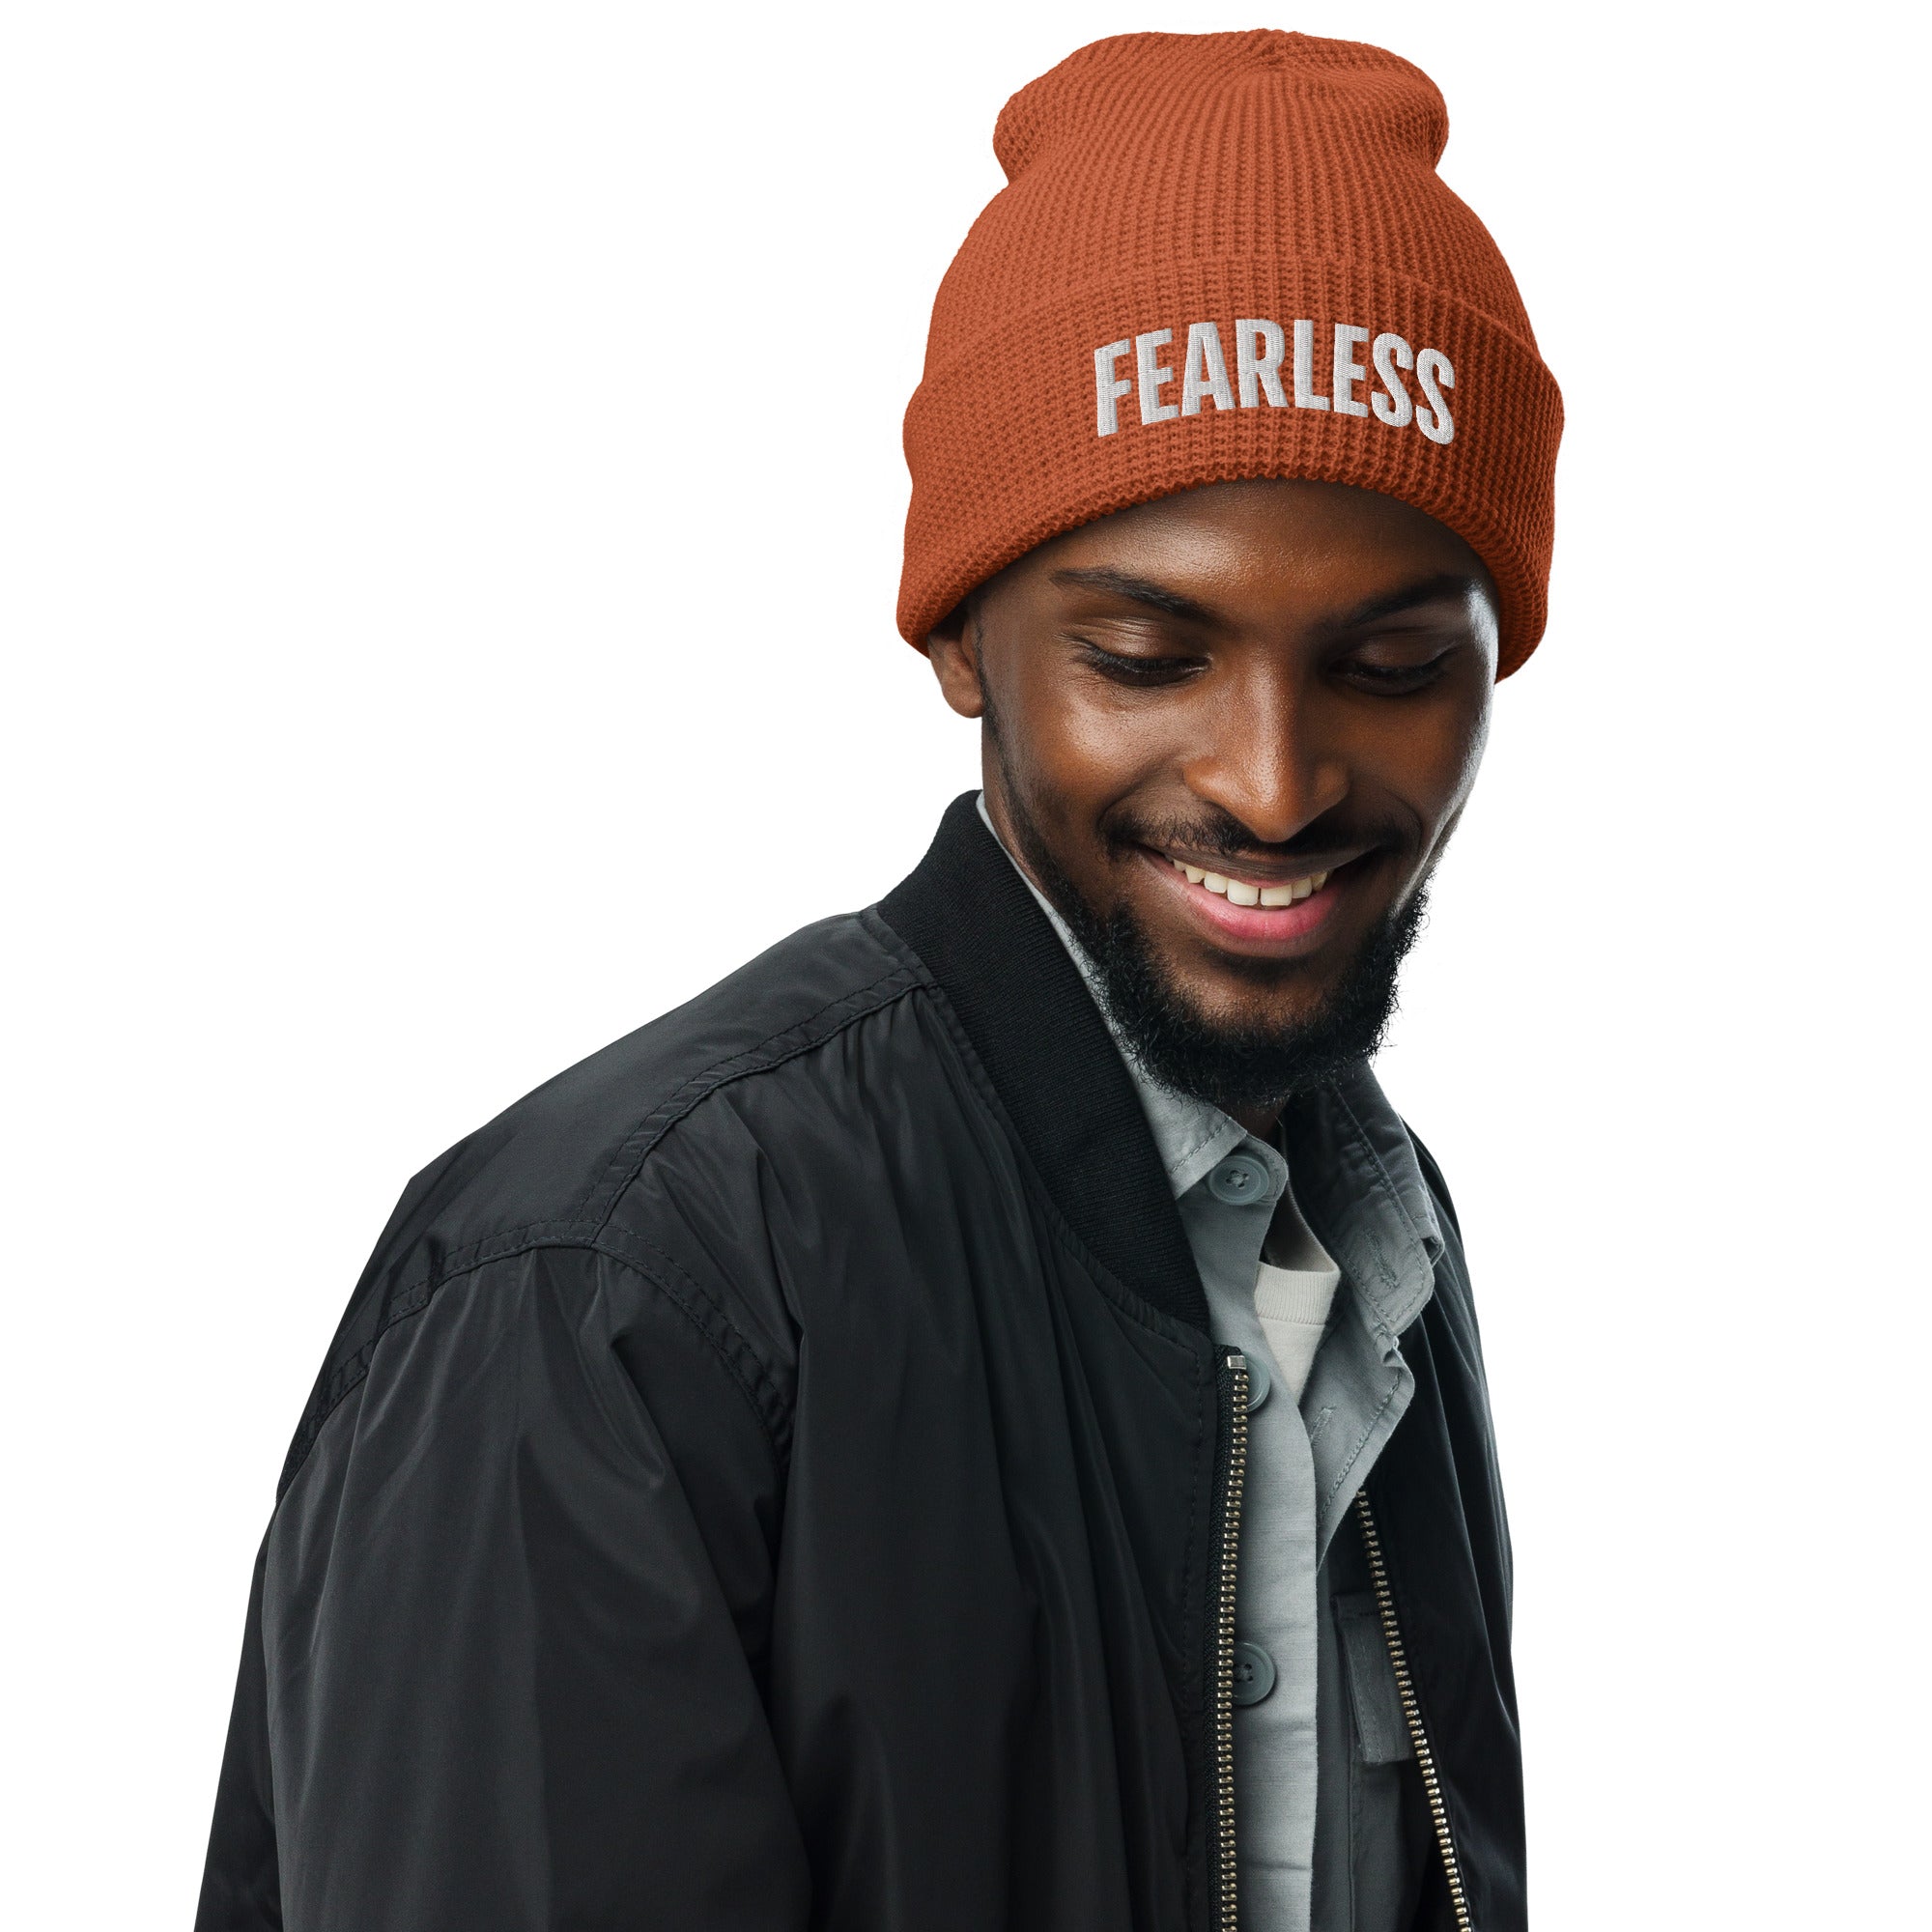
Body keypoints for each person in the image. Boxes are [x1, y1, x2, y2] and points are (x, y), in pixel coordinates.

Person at [196, 29, 1561, 1932]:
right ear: (958, 638)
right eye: (1146, 656)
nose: (1275, 782)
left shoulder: (1378, 1240)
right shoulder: (601, 1298)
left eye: (1391, 666)